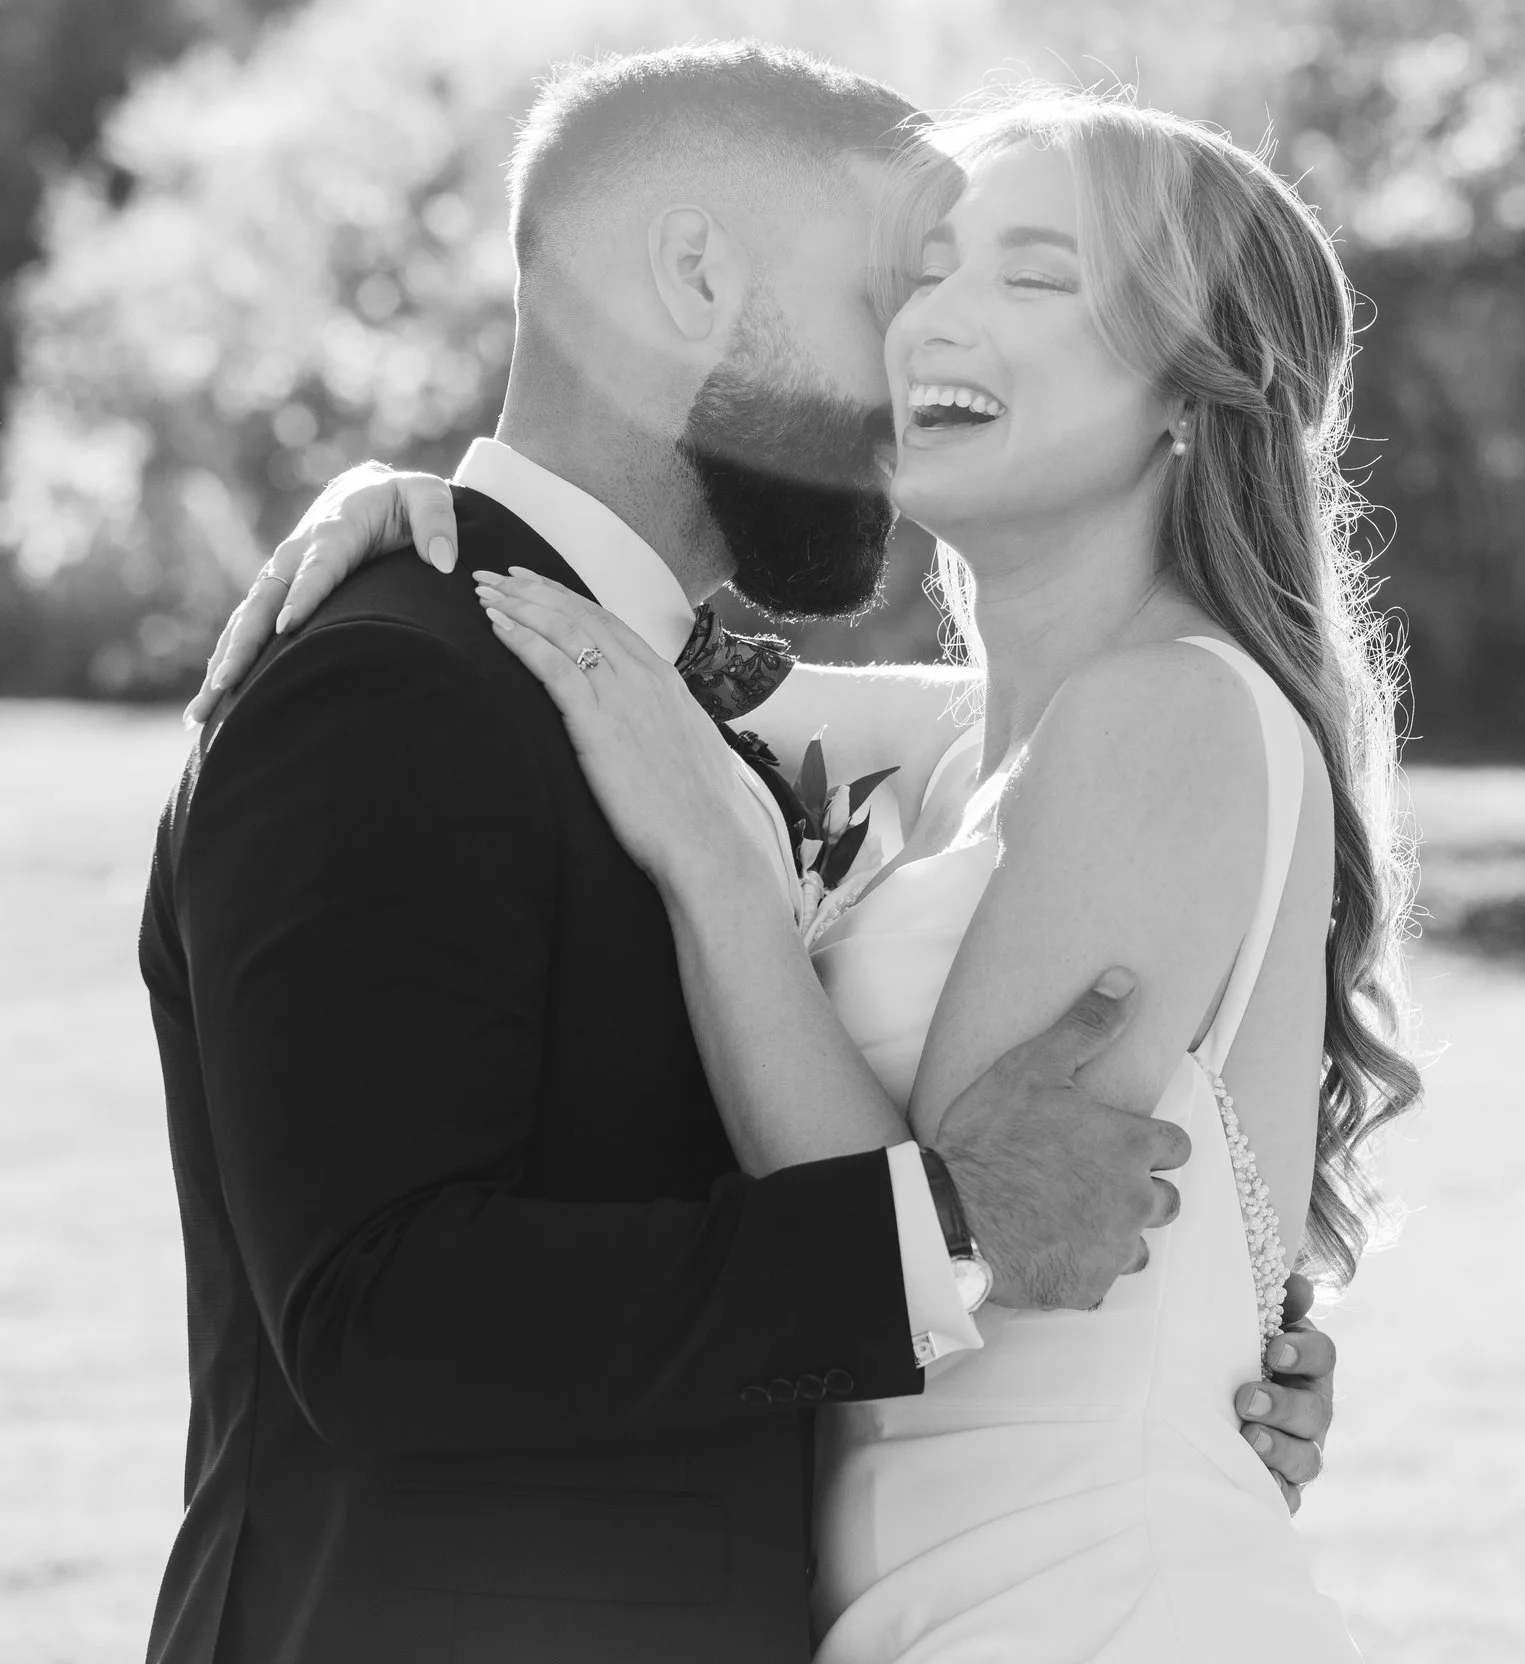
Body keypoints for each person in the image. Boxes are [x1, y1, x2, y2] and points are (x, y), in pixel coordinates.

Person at [149, 47, 1345, 1664]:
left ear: (1189, 395)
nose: (924, 331)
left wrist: (1197, 1358)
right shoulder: (416, 685)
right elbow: (380, 1317)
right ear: (696, 277)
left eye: (1024, 276)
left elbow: (1012, 1242)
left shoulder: (1082, 719)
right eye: (900, 279)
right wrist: (409, 497)